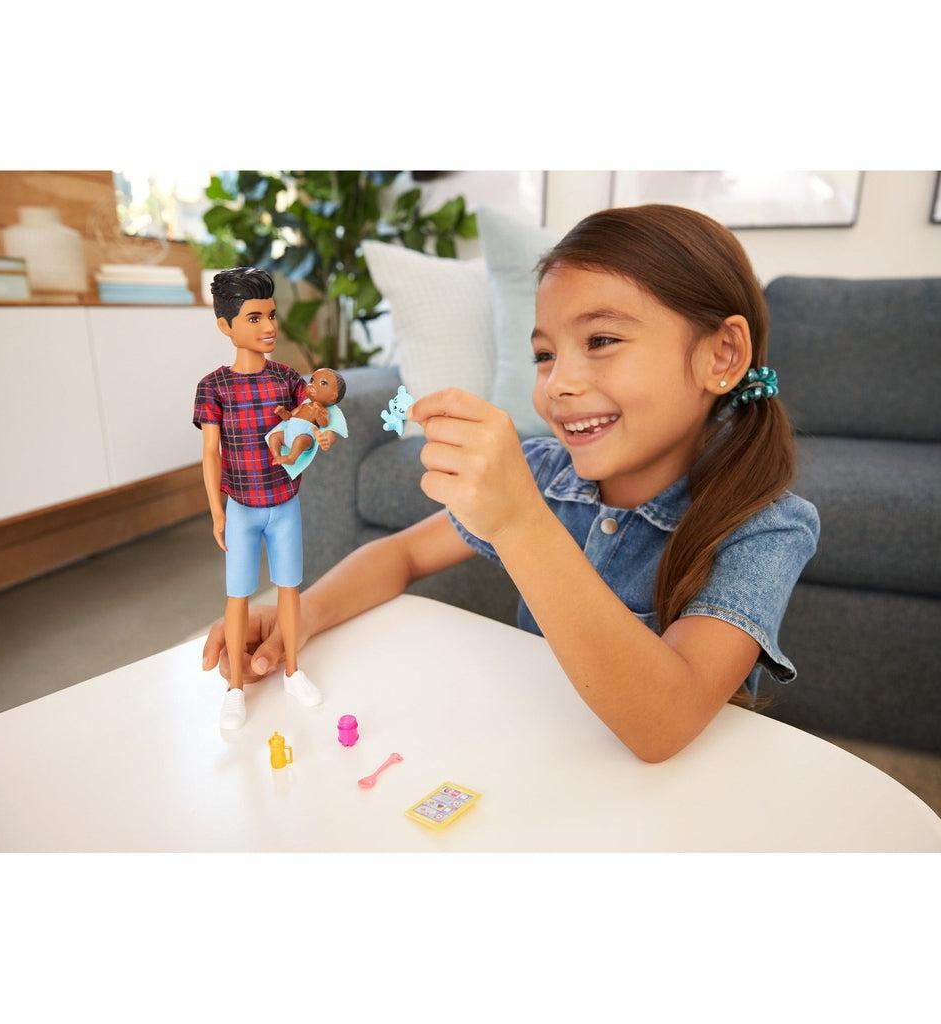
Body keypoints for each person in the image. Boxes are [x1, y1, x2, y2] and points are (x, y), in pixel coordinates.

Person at [202, 205, 820, 762]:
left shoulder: (763, 527)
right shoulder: (548, 475)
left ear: (722, 355)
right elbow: (402, 553)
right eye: (544, 355)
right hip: (541, 758)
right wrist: (300, 615)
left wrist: (519, 519)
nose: (556, 384)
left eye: (601, 341)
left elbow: (664, 723)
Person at [193, 267, 339, 730]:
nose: (269, 327)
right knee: (237, 596)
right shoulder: (214, 387)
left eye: (271, 315)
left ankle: (293, 671)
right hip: (240, 509)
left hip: (284, 505)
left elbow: (315, 415)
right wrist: (217, 512)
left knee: (288, 591)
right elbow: (211, 452)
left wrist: (326, 431)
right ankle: (235, 687)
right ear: (226, 326)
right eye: (254, 318)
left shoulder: (288, 379)